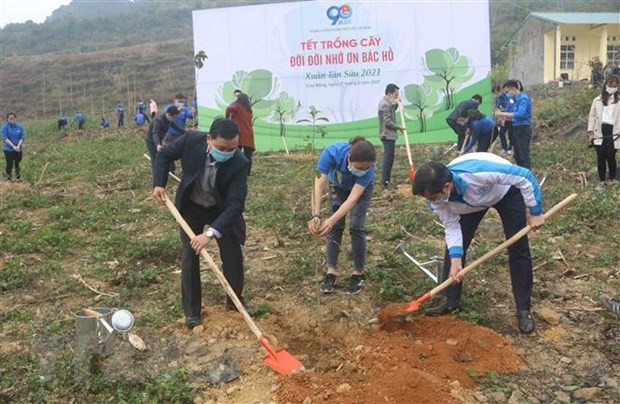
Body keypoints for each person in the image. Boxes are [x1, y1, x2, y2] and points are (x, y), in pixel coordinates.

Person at [411, 153, 545, 334]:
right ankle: (451, 301)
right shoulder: (436, 199)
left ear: (447, 186)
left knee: (518, 248)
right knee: (454, 250)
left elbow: (524, 175)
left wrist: (535, 210)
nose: (432, 202)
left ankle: (523, 310)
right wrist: (456, 260)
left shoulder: (479, 172)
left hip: (504, 192)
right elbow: (451, 226)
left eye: (434, 198)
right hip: (470, 205)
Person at [152, 118, 250, 329]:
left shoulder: (239, 162)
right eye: (222, 148)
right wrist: (159, 183)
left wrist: (210, 234)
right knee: (190, 254)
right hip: (192, 207)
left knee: (232, 254)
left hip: (221, 210)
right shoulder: (190, 140)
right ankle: (192, 312)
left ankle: (234, 303)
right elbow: (164, 154)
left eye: (232, 148)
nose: (227, 153)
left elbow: (235, 205)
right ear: (209, 140)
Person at [308, 137, 376, 295]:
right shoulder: (331, 153)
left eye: (367, 168)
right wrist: (316, 215)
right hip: (337, 186)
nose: (363, 170)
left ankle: (358, 273)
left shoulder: (368, 170)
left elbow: (353, 199)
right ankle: (331, 271)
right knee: (336, 227)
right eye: (360, 167)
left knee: (356, 226)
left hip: (361, 190)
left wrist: (331, 219)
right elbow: (318, 184)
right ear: (349, 160)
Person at [587, 75, 619, 189]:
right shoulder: (597, 100)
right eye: (611, 86)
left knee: (611, 155)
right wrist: (590, 132)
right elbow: (592, 116)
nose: (613, 88)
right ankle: (601, 181)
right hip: (600, 130)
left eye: (615, 86)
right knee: (600, 156)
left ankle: (612, 179)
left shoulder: (618, 100)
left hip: (614, 130)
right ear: (606, 85)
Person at [495, 80, 532, 169]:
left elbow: (520, 114)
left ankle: (527, 174)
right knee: (518, 154)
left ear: (513, 88)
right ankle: (519, 174)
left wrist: (502, 114)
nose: (507, 94)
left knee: (523, 154)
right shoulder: (515, 100)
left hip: (523, 128)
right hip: (516, 128)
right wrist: (503, 115)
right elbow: (513, 113)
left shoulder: (523, 98)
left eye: (507, 92)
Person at [378, 83, 406, 190]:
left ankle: (387, 181)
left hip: (389, 135)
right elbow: (387, 121)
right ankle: (385, 182)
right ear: (390, 93)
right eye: (395, 94)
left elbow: (390, 111)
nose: (396, 96)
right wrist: (399, 127)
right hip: (387, 135)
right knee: (388, 159)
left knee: (390, 159)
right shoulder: (384, 104)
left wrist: (396, 105)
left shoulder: (388, 103)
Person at [145, 105, 183, 175]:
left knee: (161, 156)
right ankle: (156, 177)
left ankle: (165, 172)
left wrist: (187, 132)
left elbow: (177, 128)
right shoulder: (158, 120)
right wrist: (158, 144)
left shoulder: (169, 120)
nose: (174, 119)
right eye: (173, 117)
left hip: (159, 139)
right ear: (168, 114)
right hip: (151, 140)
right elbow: (155, 133)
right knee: (155, 159)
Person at [226, 93, 255, 175]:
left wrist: (227, 116)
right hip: (249, 134)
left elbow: (229, 109)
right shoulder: (249, 110)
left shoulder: (237, 107)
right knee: (248, 156)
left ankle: (236, 171)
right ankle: (247, 172)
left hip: (240, 134)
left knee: (236, 154)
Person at [2, 113, 24, 181]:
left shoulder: (19, 127)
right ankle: (9, 179)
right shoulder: (5, 127)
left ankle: (18, 178)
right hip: (8, 149)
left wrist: (18, 146)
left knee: (17, 163)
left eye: (13, 118)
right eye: (10, 118)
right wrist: (13, 146)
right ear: (7, 119)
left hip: (18, 148)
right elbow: (5, 138)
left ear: (15, 118)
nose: (12, 120)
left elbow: (22, 137)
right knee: (9, 164)